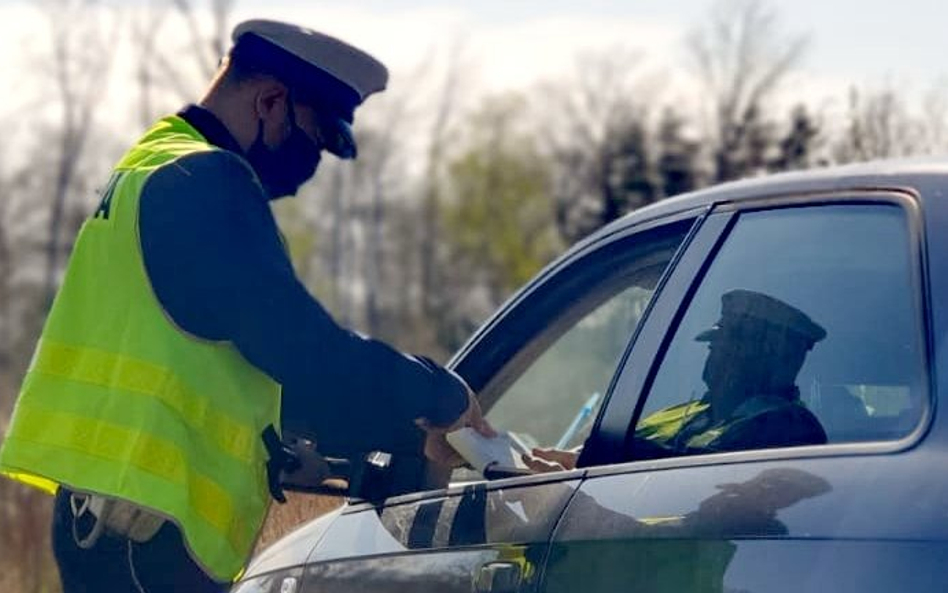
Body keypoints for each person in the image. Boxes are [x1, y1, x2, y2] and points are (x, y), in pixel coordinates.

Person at [0, 19, 492, 592]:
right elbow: (304, 352)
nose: (311, 167)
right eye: (313, 140)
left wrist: (407, 437)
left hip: (109, 522)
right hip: (147, 541)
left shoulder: (153, 162)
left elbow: (225, 364)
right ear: (270, 101)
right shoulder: (206, 181)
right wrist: (439, 394)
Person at [523, 289, 827, 472]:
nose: (714, 354)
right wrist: (577, 459)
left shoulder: (787, 427)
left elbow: (705, 477)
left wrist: (605, 457)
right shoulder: (688, 413)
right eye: (713, 344)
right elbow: (624, 449)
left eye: (728, 345)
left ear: (774, 356)